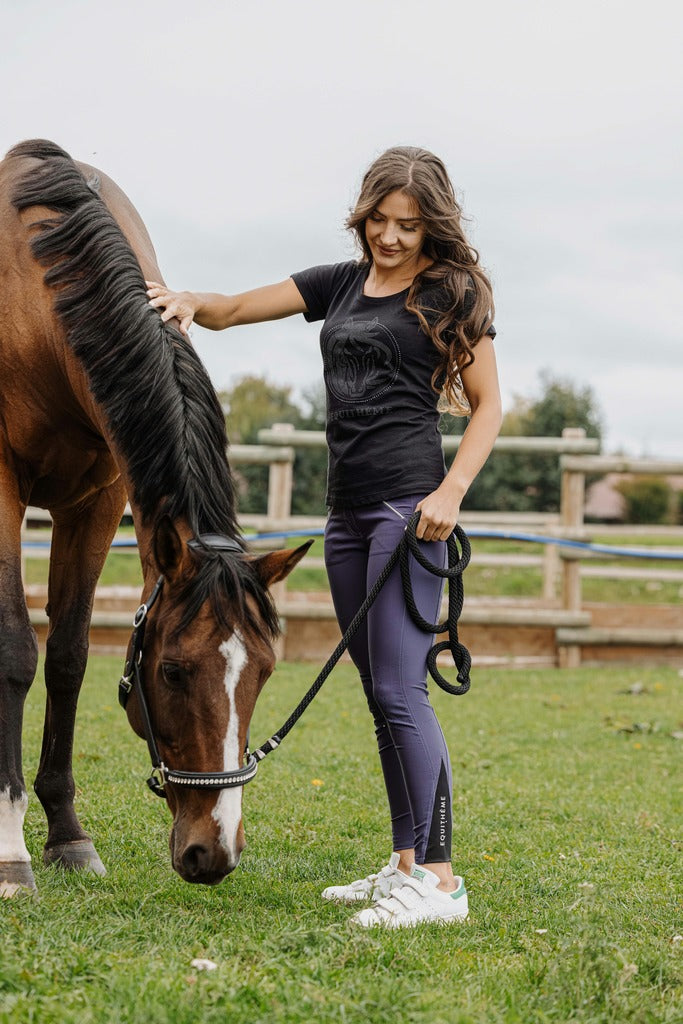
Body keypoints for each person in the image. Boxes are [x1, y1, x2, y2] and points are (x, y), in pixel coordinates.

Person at [147, 146, 502, 927]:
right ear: (363, 215)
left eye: (407, 224)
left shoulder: (450, 291)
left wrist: (449, 491)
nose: (390, 237)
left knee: (401, 693)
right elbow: (235, 308)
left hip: (409, 512)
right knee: (378, 697)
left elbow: (488, 406)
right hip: (346, 515)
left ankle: (441, 884)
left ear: (430, 224)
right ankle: (405, 863)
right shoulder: (339, 284)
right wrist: (181, 300)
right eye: (379, 219)